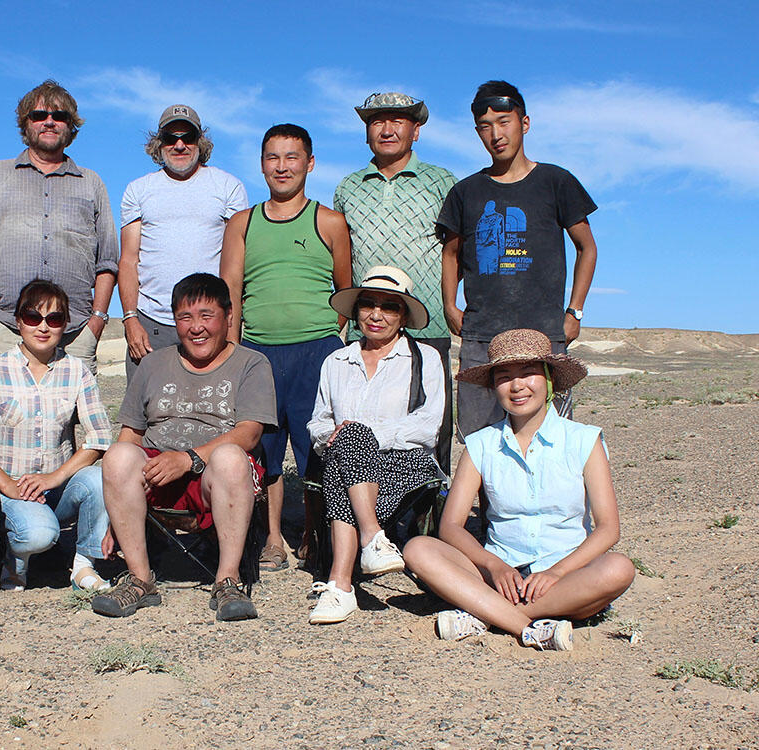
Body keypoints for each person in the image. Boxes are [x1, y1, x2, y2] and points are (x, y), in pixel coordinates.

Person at [404, 329, 635, 650]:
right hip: (499, 575)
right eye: (504, 376)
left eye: (528, 373)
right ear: (493, 386)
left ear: (549, 379)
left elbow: (608, 529)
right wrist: (493, 565)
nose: (517, 386)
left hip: (567, 574)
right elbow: (451, 526)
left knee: (618, 568)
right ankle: (527, 626)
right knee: (419, 549)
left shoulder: (584, 440)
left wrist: (555, 573)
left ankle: (484, 613)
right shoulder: (480, 445)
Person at [91, 273, 276, 622]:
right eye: (185, 317)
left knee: (231, 458)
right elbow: (130, 434)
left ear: (229, 316)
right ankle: (140, 580)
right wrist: (113, 514)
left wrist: (188, 459)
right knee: (117, 456)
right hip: (158, 474)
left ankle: (228, 580)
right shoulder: (153, 364)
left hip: (216, 480)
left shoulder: (251, 364)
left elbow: (250, 433)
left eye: (207, 316)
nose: (196, 328)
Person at [220, 123, 351, 573]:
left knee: (316, 448)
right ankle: (273, 537)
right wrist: (234, 350)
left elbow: (343, 293)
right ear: (261, 165)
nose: (282, 166)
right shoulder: (243, 223)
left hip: (317, 351)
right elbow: (230, 291)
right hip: (258, 353)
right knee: (266, 449)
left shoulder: (329, 221)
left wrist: (324, 340)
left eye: (292, 157)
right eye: (273, 157)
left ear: (309, 164)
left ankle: (314, 535)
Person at [438, 80, 599, 440]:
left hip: (543, 332)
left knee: (551, 436)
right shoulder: (466, 192)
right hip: (482, 335)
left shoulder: (556, 181)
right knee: (480, 438)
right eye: (485, 125)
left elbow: (587, 247)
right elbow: (451, 253)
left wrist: (574, 312)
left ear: (524, 123)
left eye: (504, 121)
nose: (496, 134)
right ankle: (484, 500)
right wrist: (450, 305)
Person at [305, 266, 445, 624]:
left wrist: (363, 435)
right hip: (346, 459)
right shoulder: (336, 361)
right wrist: (334, 436)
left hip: (407, 461)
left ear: (403, 317)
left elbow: (428, 427)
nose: (377, 315)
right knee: (349, 450)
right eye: (368, 305)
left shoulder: (424, 358)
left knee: (350, 449)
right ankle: (372, 540)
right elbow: (319, 421)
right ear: (356, 311)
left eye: (389, 307)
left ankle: (341, 585)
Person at [334, 93, 457, 472]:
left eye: (397, 121)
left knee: (431, 432)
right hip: (366, 328)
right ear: (366, 132)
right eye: (376, 121)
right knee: (362, 429)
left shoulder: (442, 182)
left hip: (428, 325)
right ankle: (363, 521)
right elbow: (341, 256)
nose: (387, 130)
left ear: (416, 131)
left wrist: (445, 301)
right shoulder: (347, 188)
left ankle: (431, 524)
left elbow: (458, 250)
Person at [0, 80, 118, 374]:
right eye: (39, 115)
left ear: (71, 127)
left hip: (74, 334)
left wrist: (96, 322)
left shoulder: (92, 183)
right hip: (6, 329)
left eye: (59, 116)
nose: (49, 122)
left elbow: (108, 261)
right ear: (25, 123)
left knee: (71, 420)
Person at [0, 280, 115, 592]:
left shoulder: (77, 371)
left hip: (58, 487)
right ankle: (15, 560)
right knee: (38, 534)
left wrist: (53, 478)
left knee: (100, 478)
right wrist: (8, 485)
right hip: (10, 489)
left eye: (54, 319)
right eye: (33, 317)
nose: (43, 327)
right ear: (19, 321)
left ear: (65, 324)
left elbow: (99, 438)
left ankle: (82, 566)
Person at [120, 104, 248, 379]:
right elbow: (129, 260)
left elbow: (235, 264)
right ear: (159, 143)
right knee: (146, 414)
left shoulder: (228, 187)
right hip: (151, 323)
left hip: (211, 323)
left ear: (200, 142)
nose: (179, 145)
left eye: (187, 137)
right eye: (170, 137)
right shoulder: (138, 190)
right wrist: (131, 320)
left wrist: (231, 327)